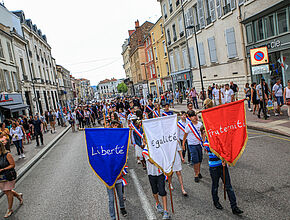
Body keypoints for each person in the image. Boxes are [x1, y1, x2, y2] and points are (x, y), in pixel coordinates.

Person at [201, 98, 243, 215]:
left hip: (223, 164)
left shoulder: (217, 132)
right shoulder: (206, 135)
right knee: (215, 186)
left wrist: (224, 157)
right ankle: (216, 202)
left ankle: (234, 207)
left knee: (229, 186)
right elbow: (208, 147)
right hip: (214, 166)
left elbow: (224, 143)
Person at [105, 120, 128, 220]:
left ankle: (122, 208)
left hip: (118, 174)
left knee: (120, 194)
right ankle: (112, 217)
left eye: (116, 126)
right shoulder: (107, 142)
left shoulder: (118, 139)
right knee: (111, 199)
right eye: (113, 125)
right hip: (109, 176)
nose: (115, 127)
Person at [142, 146, 170, 219]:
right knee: (155, 192)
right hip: (151, 174)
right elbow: (152, 161)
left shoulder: (159, 146)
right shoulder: (145, 150)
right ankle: (157, 203)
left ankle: (165, 211)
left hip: (160, 173)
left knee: (162, 191)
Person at [0, 141, 23, 218]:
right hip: (1, 177)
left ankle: (10, 209)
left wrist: (3, 169)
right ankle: (18, 195)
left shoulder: (7, 154)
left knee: (8, 191)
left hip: (8, 176)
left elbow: (12, 165)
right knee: (6, 191)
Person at [182, 110, 203, 183]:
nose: (194, 117)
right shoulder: (188, 126)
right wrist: (183, 145)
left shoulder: (200, 124)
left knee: (200, 159)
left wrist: (203, 140)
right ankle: (196, 174)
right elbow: (185, 137)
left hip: (199, 144)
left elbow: (203, 133)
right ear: (189, 118)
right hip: (192, 145)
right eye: (192, 116)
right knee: (195, 160)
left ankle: (199, 171)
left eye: (194, 115)